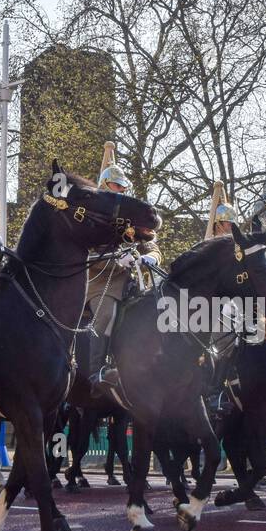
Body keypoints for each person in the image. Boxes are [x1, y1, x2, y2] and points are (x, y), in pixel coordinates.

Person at [85, 141, 160, 399]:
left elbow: (151, 243)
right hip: (101, 283)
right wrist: (116, 260)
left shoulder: (132, 217)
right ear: (105, 187)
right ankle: (96, 372)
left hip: (134, 284)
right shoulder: (91, 219)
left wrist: (152, 257)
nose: (121, 191)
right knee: (105, 315)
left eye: (123, 187)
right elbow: (87, 256)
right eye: (117, 187)